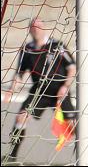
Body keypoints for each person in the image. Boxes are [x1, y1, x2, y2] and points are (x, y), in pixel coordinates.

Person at [2, 18, 77, 162]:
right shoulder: (27, 49)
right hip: (39, 91)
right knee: (21, 117)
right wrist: (12, 88)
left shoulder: (57, 46)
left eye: (39, 26)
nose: (37, 30)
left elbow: (72, 67)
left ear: (44, 28)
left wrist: (65, 86)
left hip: (59, 90)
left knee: (73, 123)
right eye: (33, 27)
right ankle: (12, 155)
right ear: (30, 30)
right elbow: (19, 73)